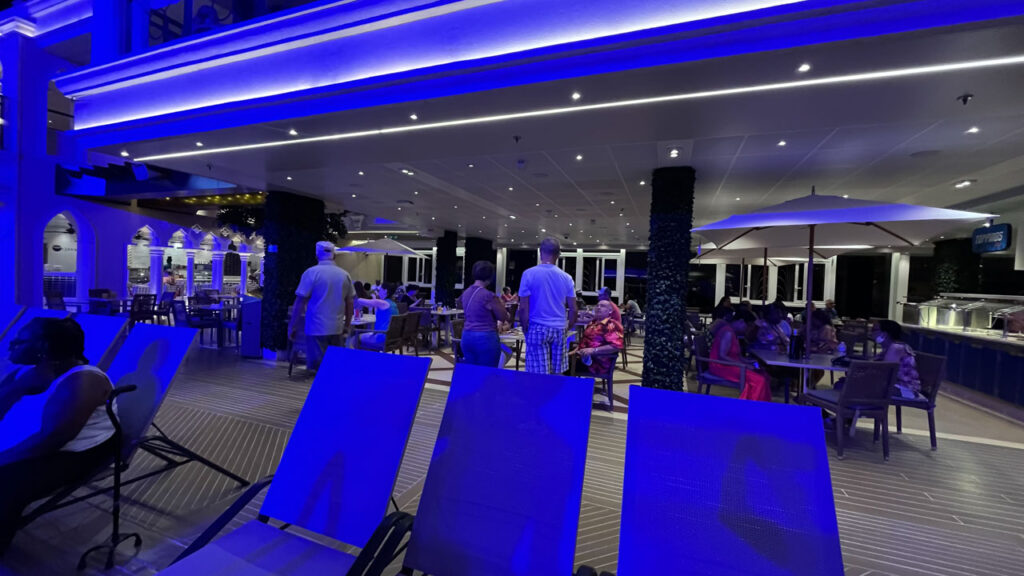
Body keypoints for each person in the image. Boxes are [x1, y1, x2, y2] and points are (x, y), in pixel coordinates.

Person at [0, 318, 117, 553]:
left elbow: (52, 439)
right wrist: (16, 388)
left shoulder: (83, 381)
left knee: (7, 483)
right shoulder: (27, 372)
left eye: (20, 341)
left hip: (77, 452)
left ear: (43, 348)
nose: (11, 345)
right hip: (39, 438)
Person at [288, 241, 355, 371]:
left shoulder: (311, 273)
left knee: (317, 369)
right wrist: (347, 325)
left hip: (316, 328)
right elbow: (350, 302)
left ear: (317, 255)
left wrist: (292, 326)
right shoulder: (344, 275)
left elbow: (300, 302)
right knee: (334, 368)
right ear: (334, 255)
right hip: (337, 328)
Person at [519, 238, 578, 375]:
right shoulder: (566, 277)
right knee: (557, 372)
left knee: (538, 373)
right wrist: (568, 325)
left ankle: (539, 396)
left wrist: (524, 326)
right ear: (558, 255)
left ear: (540, 252)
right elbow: (574, 308)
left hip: (537, 327)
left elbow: (523, 307)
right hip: (559, 328)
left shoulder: (528, 274)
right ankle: (555, 396)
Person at [708, 310, 771, 402]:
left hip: (730, 364)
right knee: (759, 380)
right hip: (720, 366)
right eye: (748, 326)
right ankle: (751, 408)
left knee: (763, 374)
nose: (747, 329)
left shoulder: (732, 332)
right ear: (741, 321)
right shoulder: (728, 332)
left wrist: (746, 361)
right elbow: (722, 356)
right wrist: (743, 365)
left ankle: (762, 404)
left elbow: (736, 355)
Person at [457, 261, 509, 366]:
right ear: (490, 276)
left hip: (466, 336)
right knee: (487, 374)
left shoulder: (465, 293)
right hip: (485, 338)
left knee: (472, 373)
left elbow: (459, 305)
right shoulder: (488, 296)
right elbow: (503, 316)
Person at [573, 301, 625, 379]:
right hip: (583, 358)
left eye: (603, 306)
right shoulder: (594, 322)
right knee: (560, 360)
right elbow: (585, 340)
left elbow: (616, 346)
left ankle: (567, 388)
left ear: (610, 311)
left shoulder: (611, 325)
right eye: (597, 305)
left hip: (596, 363)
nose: (599, 307)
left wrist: (594, 350)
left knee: (562, 365)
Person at [872, 320, 922, 398]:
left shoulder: (896, 348)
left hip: (906, 390)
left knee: (860, 387)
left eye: (874, 330)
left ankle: (862, 409)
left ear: (885, 334)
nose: (871, 333)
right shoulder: (888, 348)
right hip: (895, 386)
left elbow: (885, 371)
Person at [355, 281, 400, 348]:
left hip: (382, 337)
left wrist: (352, 295)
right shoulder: (393, 304)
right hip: (393, 338)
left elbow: (360, 301)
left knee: (354, 338)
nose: (378, 291)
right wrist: (375, 299)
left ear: (385, 291)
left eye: (380, 289)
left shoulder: (382, 303)